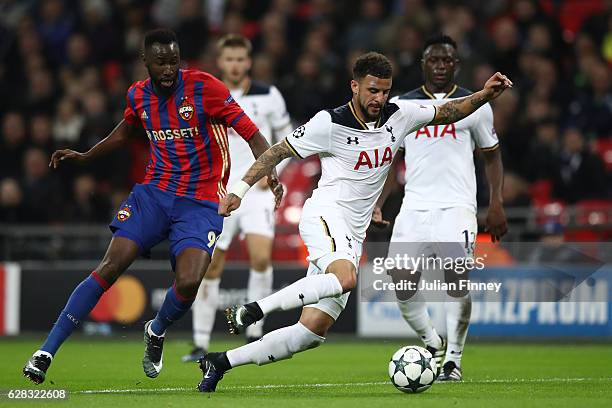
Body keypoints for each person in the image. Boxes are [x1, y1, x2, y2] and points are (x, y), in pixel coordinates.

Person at [195, 51, 512, 392]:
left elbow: (452, 110)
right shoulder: (328, 124)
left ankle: (221, 362)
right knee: (346, 277)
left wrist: (484, 95)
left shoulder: (402, 115)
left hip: (351, 234)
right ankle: (253, 310)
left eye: (385, 91)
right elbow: (276, 151)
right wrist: (239, 191)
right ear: (355, 86)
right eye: (372, 90)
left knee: (311, 333)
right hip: (326, 216)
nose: (379, 98)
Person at [22, 28, 282, 385]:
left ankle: (156, 329)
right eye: (160, 62)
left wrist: (270, 172)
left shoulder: (205, 88)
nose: (168, 69)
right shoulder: (138, 95)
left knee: (189, 281)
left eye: (174, 61)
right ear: (145, 61)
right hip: (154, 195)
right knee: (110, 266)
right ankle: (46, 352)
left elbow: (252, 134)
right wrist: (85, 156)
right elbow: (125, 130)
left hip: (201, 201)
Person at [375, 35, 507, 382]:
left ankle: (453, 360)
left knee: (455, 281)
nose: (440, 66)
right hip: (414, 207)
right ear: (423, 64)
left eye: (446, 60)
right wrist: (378, 203)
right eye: (433, 60)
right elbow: (391, 163)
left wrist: (496, 203)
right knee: (401, 284)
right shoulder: (402, 106)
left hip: (457, 207)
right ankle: (432, 342)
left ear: (456, 65)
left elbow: (492, 156)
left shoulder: (475, 103)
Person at [183, 34, 293, 362]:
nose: (234, 65)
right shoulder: (208, 94)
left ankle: (254, 332)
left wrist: (271, 175)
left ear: (248, 61)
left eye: (240, 59)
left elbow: (287, 142)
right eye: (228, 59)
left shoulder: (269, 95)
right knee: (210, 265)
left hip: (255, 191)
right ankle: (200, 342)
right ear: (220, 62)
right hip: (218, 192)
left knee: (261, 258)